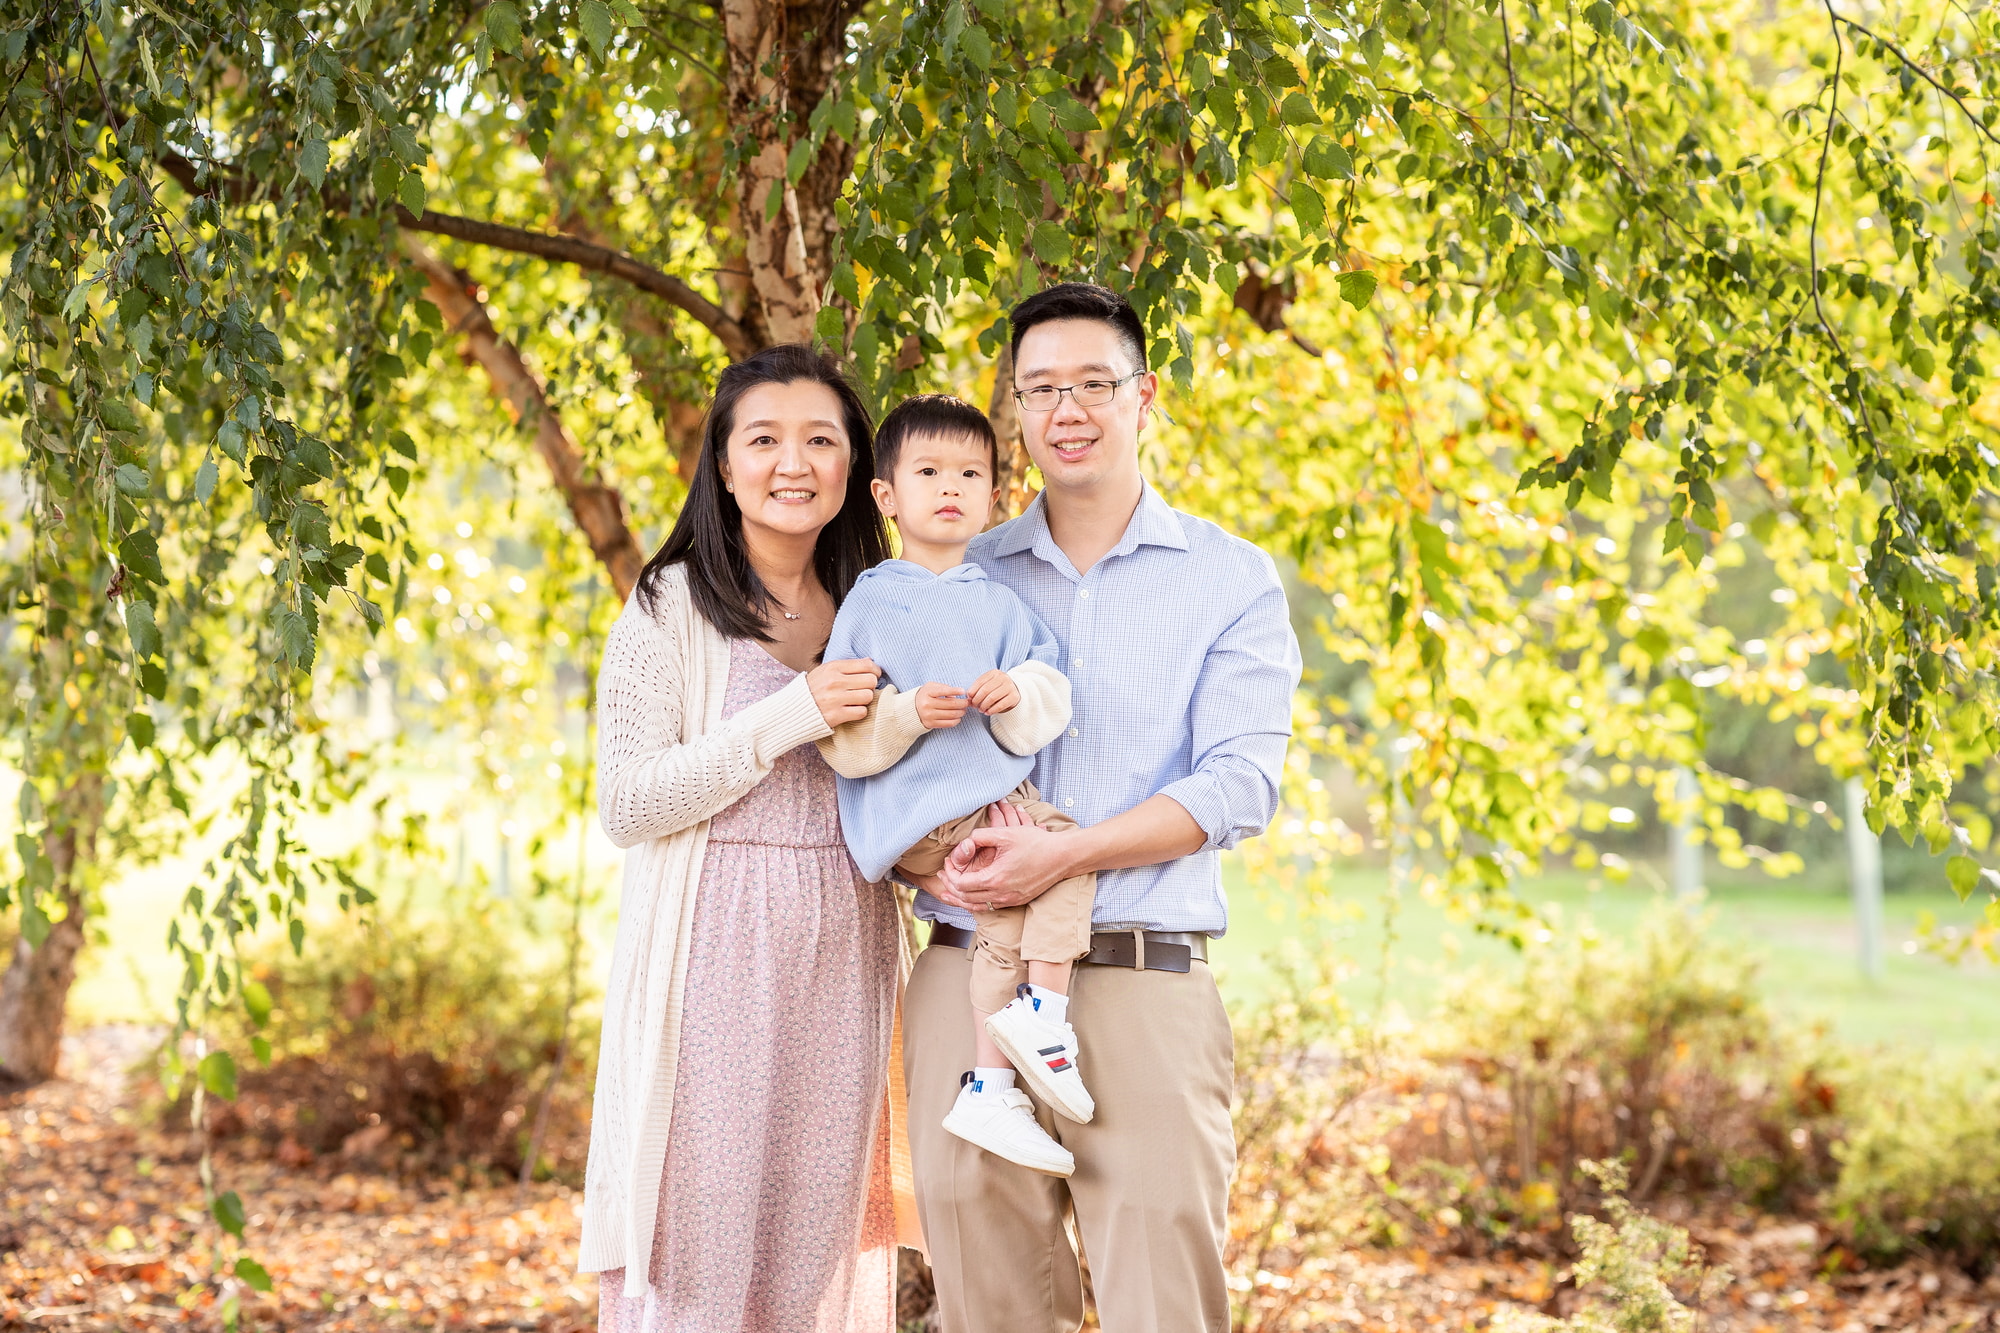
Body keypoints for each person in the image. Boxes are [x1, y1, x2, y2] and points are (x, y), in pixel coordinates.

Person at [898, 284, 1304, 1333]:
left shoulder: (1228, 578)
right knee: (988, 1309)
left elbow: (1237, 783)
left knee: (1162, 1308)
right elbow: (885, 762)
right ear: (1017, 408)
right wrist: (924, 859)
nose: (1066, 409)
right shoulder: (957, 571)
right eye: (1040, 389)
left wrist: (1064, 857)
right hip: (964, 982)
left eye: (1092, 383)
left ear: (1144, 395)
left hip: (1142, 979)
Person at [579, 344, 914, 1333]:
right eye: (763, 440)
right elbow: (627, 802)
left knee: (813, 1255)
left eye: (820, 440)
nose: (792, 463)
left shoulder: (880, 605)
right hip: (710, 962)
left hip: (844, 956)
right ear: (724, 466)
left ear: (853, 465)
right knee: (702, 1247)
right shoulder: (669, 605)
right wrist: (790, 714)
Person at [813, 395, 1096, 1181]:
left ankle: (992, 1087)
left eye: (970, 474)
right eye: (930, 471)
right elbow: (840, 734)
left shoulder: (998, 603)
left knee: (1007, 911)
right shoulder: (872, 601)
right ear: (886, 494)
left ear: (995, 496)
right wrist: (907, 712)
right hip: (924, 812)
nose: (950, 487)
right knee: (1065, 850)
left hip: (979, 807)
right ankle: (1044, 1014)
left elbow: (1050, 689)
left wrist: (1018, 692)